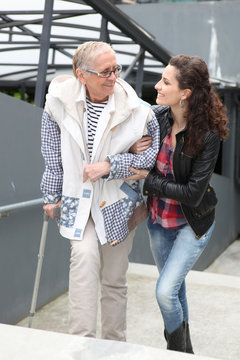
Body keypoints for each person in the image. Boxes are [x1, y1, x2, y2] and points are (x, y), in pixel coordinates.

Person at [40, 41, 160, 341]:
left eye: (116, 68)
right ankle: (81, 345)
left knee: (114, 279)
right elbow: (52, 157)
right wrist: (50, 196)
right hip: (76, 200)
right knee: (83, 260)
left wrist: (110, 164)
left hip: (119, 204)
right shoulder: (56, 104)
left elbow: (148, 160)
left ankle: (113, 347)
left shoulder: (138, 111)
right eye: (105, 71)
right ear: (82, 75)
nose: (113, 77)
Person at [126, 54, 229, 353]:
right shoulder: (157, 117)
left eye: (165, 82)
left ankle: (176, 353)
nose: (157, 85)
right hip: (159, 222)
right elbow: (132, 144)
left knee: (164, 292)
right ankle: (187, 354)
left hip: (192, 223)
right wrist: (133, 146)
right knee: (175, 291)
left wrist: (148, 180)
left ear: (185, 93)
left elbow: (193, 193)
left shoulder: (207, 134)